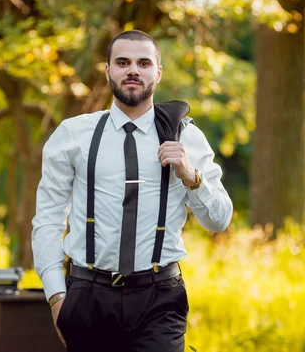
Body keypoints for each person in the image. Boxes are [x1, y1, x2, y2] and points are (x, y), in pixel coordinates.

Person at [32, 30, 233, 352]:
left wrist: (190, 176)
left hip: (159, 297)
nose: (133, 70)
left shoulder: (187, 137)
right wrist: (57, 297)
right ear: (108, 70)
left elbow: (219, 221)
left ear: (158, 72)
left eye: (144, 63)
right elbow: (48, 220)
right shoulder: (73, 134)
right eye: (122, 62)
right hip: (87, 295)